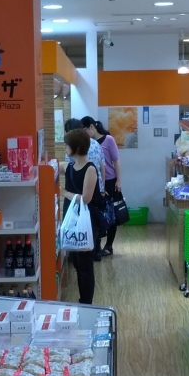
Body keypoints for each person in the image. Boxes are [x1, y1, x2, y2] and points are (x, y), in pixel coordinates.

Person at [61, 127, 103, 304]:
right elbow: (54, 165)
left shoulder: (90, 169)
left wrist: (64, 193)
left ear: (76, 148)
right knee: (77, 263)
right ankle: (82, 300)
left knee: (85, 265)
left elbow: (86, 198)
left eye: (67, 145)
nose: (64, 148)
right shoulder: (70, 166)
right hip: (74, 220)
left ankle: (86, 302)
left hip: (87, 221)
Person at [66, 119, 107, 261]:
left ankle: (84, 253)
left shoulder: (74, 152)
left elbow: (72, 171)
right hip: (97, 188)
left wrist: (64, 192)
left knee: (84, 224)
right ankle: (95, 250)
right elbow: (103, 166)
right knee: (93, 225)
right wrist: (102, 187)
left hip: (81, 193)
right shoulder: (95, 143)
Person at [84, 117, 120, 256]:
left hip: (110, 181)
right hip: (96, 182)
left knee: (111, 215)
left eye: (85, 130)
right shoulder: (87, 143)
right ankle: (97, 246)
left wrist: (118, 181)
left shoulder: (108, 140)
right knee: (98, 214)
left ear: (91, 127)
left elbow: (116, 161)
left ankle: (109, 245)